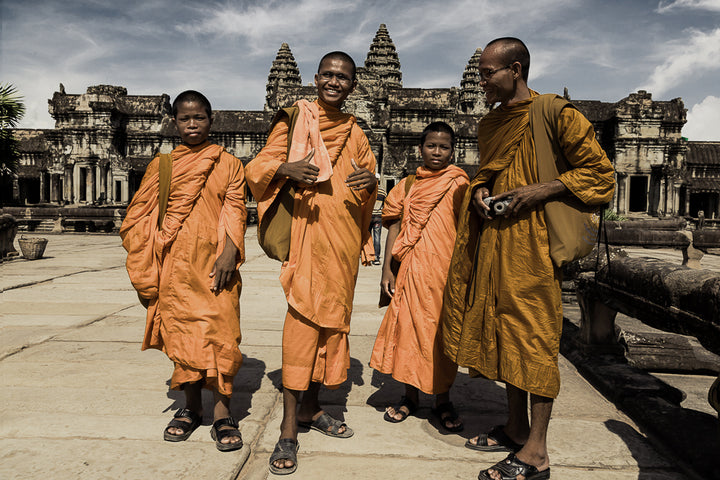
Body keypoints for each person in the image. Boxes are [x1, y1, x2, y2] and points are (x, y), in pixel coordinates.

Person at [441, 38, 615, 480]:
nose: (481, 81)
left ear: (515, 69)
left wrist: (541, 189)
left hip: (536, 247)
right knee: (506, 334)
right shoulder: (491, 124)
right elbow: (489, 171)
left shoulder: (557, 113)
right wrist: (479, 190)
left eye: (488, 73)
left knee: (534, 339)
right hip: (496, 242)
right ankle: (516, 427)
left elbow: (601, 175)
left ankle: (536, 452)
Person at [245, 51, 377, 475]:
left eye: (343, 77)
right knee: (301, 328)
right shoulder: (294, 117)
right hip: (307, 239)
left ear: (353, 85)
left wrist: (372, 182)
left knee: (329, 328)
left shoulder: (356, 130)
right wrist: (285, 166)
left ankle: (312, 408)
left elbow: (367, 178)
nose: (335, 82)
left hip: (341, 244)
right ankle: (287, 429)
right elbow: (259, 165)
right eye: (329, 75)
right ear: (316, 78)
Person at [120, 90, 247, 452]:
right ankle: (191, 409)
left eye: (200, 117)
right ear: (174, 122)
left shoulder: (228, 164)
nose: (193, 124)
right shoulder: (162, 165)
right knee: (184, 338)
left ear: (212, 119)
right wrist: (151, 247)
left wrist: (229, 252)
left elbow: (235, 210)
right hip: (174, 265)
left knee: (222, 336)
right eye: (185, 118)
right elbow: (137, 217)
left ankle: (222, 413)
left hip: (216, 265)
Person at [370, 121, 469, 431]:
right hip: (410, 269)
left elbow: (468, 230)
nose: (436, 152)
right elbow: (394, 226)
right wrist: (387, 269)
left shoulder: (460, 183)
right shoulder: (408, 185)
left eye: (443, 147)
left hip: (445, 272)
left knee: (440, 334)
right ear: (420, 149)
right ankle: (409, 396)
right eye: (431, 146)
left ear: (454, 151)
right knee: (408, 332)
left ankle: (442, 400)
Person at [369, 180, 386, 265]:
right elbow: (385, 204)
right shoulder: (382, 191)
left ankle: (367, 255)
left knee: (367, 236)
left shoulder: (369, 190)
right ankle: (376, 258)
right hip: (378, 217)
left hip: (369, 216)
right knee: (377, 237)